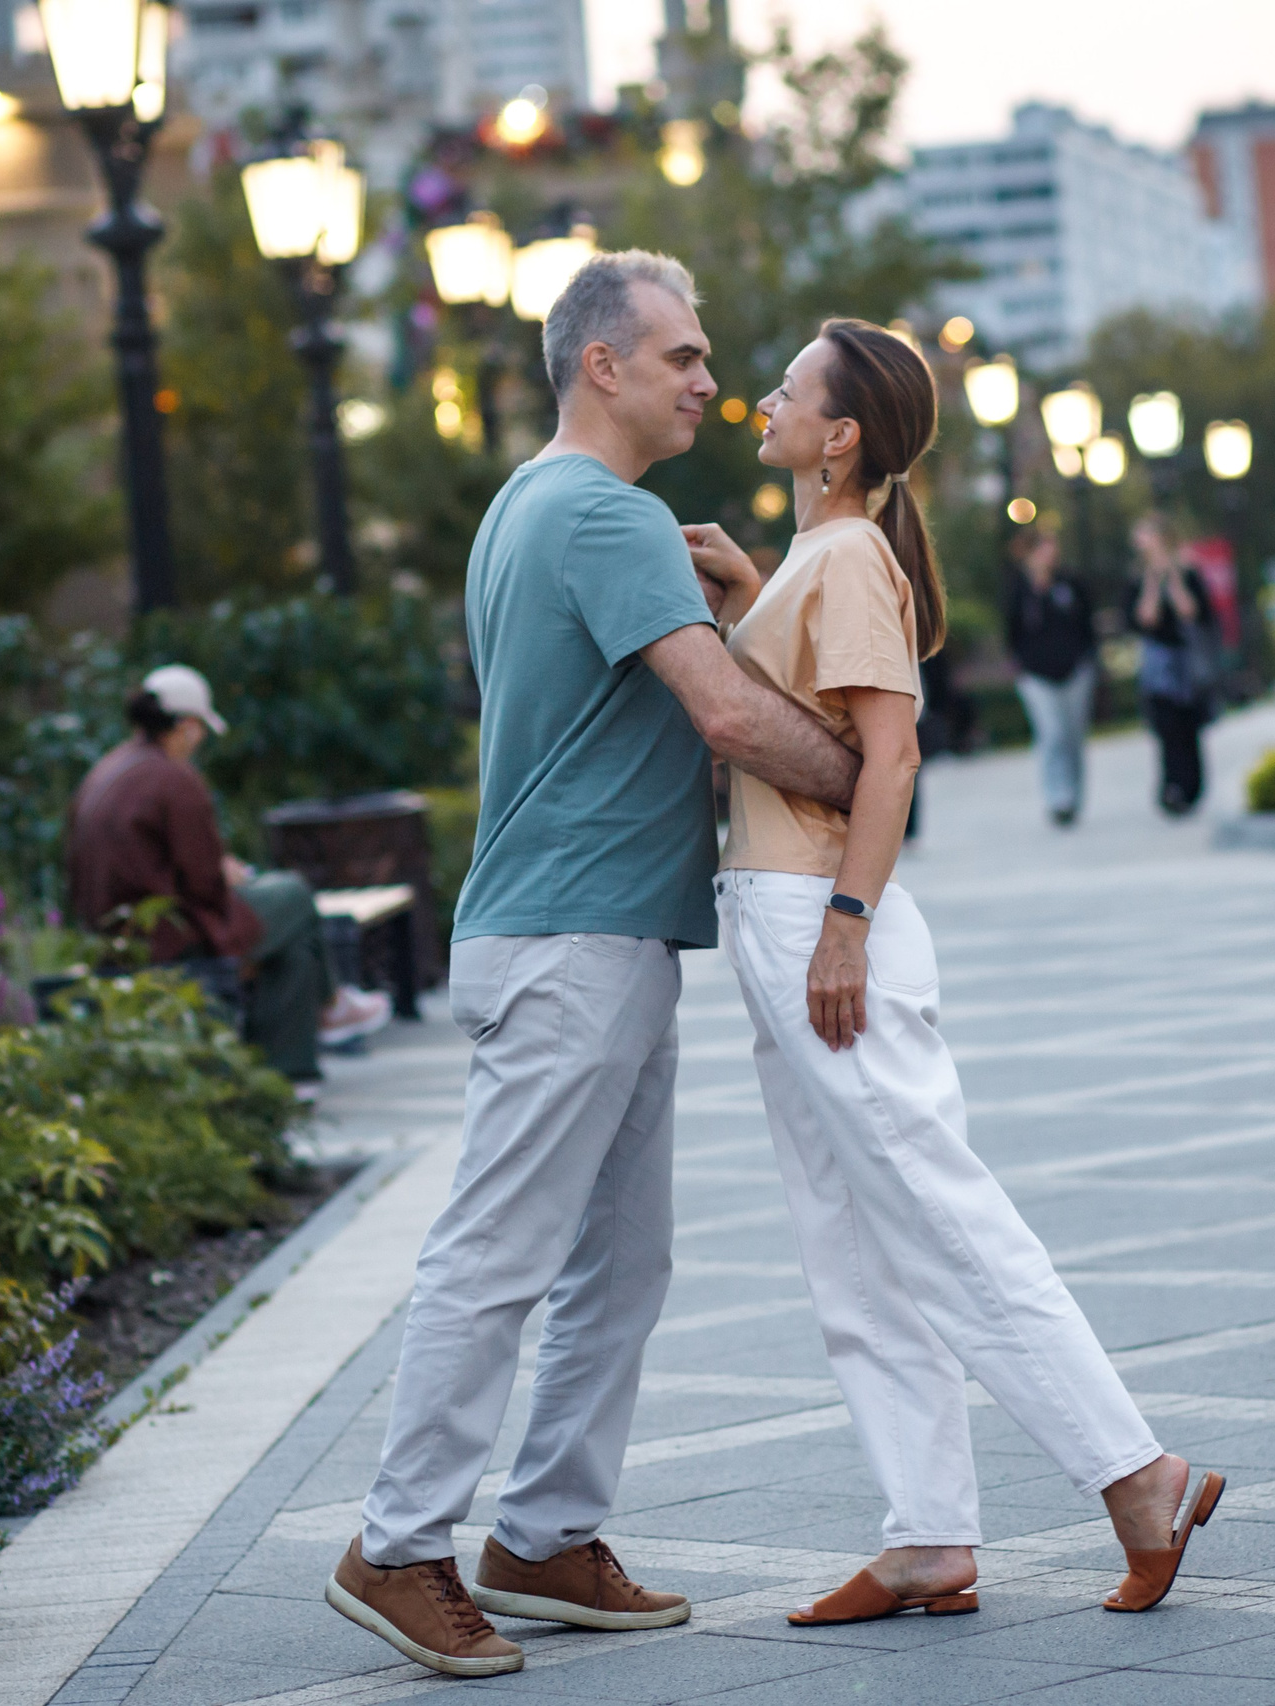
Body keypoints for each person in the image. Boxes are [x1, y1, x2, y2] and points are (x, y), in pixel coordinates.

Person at [328, 252, 866, 1679]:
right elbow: (731, 720)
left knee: (619, 1261)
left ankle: (547, 1534)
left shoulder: (528, 504)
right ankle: (396, 1545)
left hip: (596, 934)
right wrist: (869, 770)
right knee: (499, 1255)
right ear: (602, 366)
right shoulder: (608, 513)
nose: (711, 378)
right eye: (682, 355)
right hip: (569, 939)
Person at [686, 319, 1223, 1630]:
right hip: (780, 908)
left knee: (937, 1215)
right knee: (852, 1242)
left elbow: (891, 756)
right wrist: (752, 594)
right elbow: (807, 706)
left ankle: (1136, 1470)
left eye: (791, 390)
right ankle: (926, 1535)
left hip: (820, 909)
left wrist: (850, 922)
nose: (764, 400)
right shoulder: (824, 555)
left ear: (842, 432)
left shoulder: (857, 553)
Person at [64, 664, 387, 1090]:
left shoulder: (108, 768)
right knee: (292, 895)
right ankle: (329, 1009)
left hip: (115, 933)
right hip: (168, 934)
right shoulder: (174, 778)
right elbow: (204, 884)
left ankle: (294, 1076)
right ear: (186, 726)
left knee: (295, 949)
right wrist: (227, 874)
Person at [1002, 526, 1099, 826]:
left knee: (1072, 736)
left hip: (1075, 672)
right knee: (1051, 734)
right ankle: (1057, 797)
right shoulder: (1019, 589)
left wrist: (1088, 660)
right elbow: (1012, 632)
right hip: (1037, 676)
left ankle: (1075, 796)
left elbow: (1087, 624)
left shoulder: (1070, 583)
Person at [1131, 517, 1215, 817]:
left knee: (1189, 727)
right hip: (1158, 663)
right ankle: (1171, 786)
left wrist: (1175, 576)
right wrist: (1153, 580)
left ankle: (1193, 786)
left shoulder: (1188, 573)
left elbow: (1191, 611)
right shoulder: (1138, 578)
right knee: (1165, 728)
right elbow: (1145, 618)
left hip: (1187, 661)